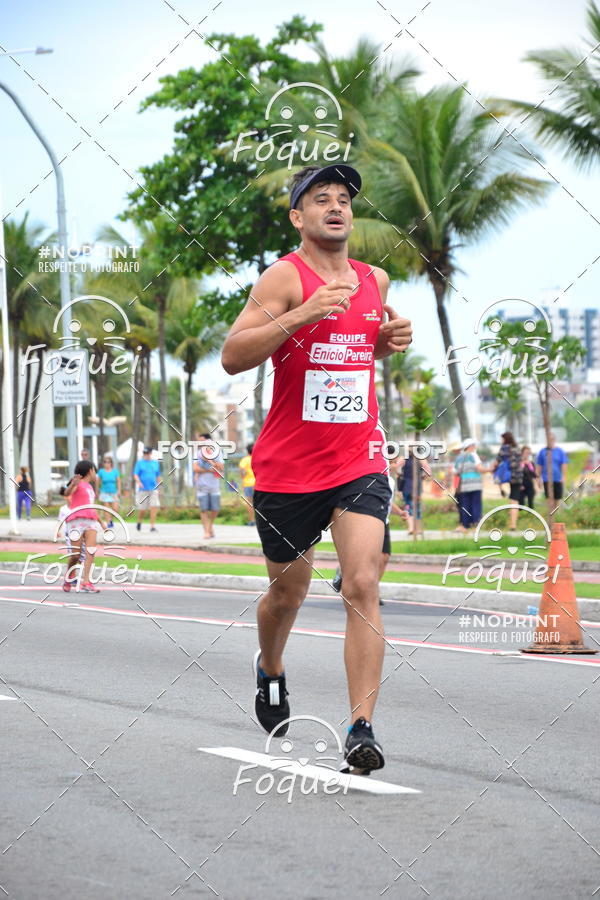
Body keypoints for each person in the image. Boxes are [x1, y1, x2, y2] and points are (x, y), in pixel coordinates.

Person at [221, 163, 412, 774]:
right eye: (320, 200)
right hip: (287, 467)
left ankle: (361, 727)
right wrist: (303, 313)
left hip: (359, 456)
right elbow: (232, 356)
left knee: (361, 583)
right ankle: (269, 667)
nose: (336, 207)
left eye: (344, 200)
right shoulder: (283, 276)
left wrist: (389, 339)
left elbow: (354, 349)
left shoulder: (373, 279)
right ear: (297, 218)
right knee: (288, 592)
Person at [333, 453, 405, 605]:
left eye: (395, 461)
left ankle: (371, 590)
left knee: (384, 557)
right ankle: (344, 573)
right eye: (392, 461)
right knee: (364, 556)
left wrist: (400, 513)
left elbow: (388, 501)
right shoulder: (375, 474)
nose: (396, 464)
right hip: (372, 519)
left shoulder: (390, 481)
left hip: (384, 520)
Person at [62, 461, 106, 592]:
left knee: (90, 552)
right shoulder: (77, 483)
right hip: (76, 521)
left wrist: (101, 522)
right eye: (94, 470)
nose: (95, 474)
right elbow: (66, 493)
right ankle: (69, 576)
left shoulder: (90, 488)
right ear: (90, 471)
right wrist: (73, 485)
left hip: (91, 521)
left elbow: (91, 506)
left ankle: (86, 582)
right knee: (75, 555)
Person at [194, 433, 225, 539]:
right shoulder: (197, 454)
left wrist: (211, 461)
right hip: (201, 485)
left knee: (215, 509)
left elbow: (221, 468)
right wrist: (209, 469)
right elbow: (195, 469)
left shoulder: (218, 454)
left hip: (214, 485)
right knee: (203, 509)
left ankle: (210, 526)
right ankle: (206, 531)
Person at [454, 438, 488, 530]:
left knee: (465, 506)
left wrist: (456, 487)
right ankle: (476, 524)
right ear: (470, 446)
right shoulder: (473, 455)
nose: (475, 447)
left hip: (464, 487)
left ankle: (465, 525)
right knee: (476, 505)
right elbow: (480, 468)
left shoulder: (459, 458)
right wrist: (490, 469)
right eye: (474, 445)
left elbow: (456, 473)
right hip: (475, 485)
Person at [492, 431, 523, 531]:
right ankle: (513, 524)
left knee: (512, 500)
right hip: (518, 476)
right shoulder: (518, 448)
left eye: (502, 438)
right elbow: (520, 461)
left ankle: (513, 525)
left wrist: (490, 469)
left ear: (505, 439)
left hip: (507, 475)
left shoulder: (504, 448)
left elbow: (497, 461)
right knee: (515, 500)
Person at [398, 450, 427, 536]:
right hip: (417, 486)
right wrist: (421, 477)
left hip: (406, 486)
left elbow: (397, 470)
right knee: (417, 506)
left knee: (408, 506)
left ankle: (411, 528)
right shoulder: (421, 459)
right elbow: (427, 472)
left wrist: (400, 477)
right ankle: (418, 528)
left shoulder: (403, 459)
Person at [133, 447, 161, 532]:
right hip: (143, 489)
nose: (146, 455)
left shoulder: (155, 463)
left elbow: (158, 476)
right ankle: (139, 521)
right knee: (143, 509)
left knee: (154, 506)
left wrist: (159, 487)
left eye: (147, 453)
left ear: (150, 453)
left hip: (153, 489)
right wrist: (139, 482)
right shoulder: (139, 463)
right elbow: (135, 475)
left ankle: (152, 526)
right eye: (144, 453)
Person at [536, 433, 569, 503]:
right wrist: (538, 478)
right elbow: (539, 466)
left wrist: (563, 476)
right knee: (549, 498)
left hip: (557, 479)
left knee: (557, 498)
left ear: (554, 440)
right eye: (548, 439)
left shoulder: (560, 451)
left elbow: (564, 464)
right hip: (546, 479)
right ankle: (550, 513)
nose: (550, 441)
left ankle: (556, 513)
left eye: (551, 439)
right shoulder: (542, 452)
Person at [97, 454, 121, 527]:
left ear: (111, 463)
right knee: (106, 509)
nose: (107, 463)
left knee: (115, 509)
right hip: (104, 492)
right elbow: (97, 481)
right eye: (105, 462)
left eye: (108, 462)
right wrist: (97, 490)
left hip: (113, 492)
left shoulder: (115, 471)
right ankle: (108, 523)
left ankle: (110, 519)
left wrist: (119, 490)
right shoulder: (101, 471)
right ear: (103, 463)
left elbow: (118, 481)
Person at [239, 443, 256, 526]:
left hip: (248, 484)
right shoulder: (258, 458)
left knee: (250, 503)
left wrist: (243, 477)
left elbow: (242, 472)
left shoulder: (245, 460)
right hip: (258, 484)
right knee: (259, 503)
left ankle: (252, 521)